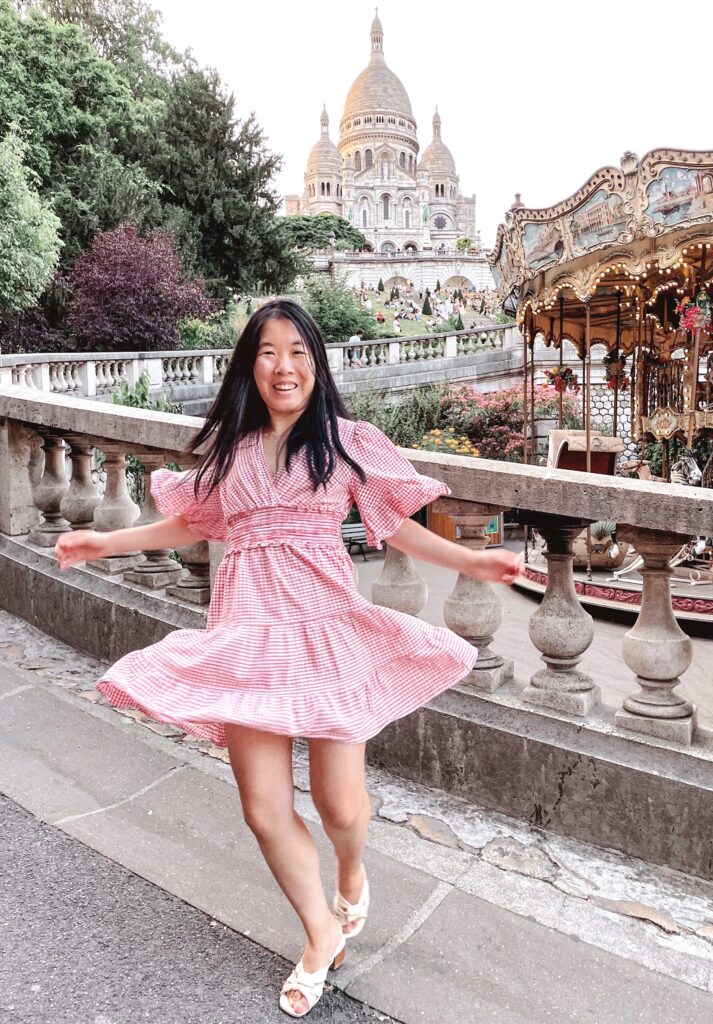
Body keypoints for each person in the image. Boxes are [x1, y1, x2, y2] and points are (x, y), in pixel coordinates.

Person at [54, 299, 521, 1019]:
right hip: (247, 637)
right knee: (264, 809)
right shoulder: (232, 453)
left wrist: (469, 560)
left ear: (316, 363)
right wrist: (101, 542)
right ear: (250, 365)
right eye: (268, 352)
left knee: (338, 806)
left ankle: (353, 869)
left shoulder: (342, 442)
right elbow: (193, 522)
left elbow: (392, 525)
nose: (283, 366)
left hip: (324, 633)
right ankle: (319, 935)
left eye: (298, 352)